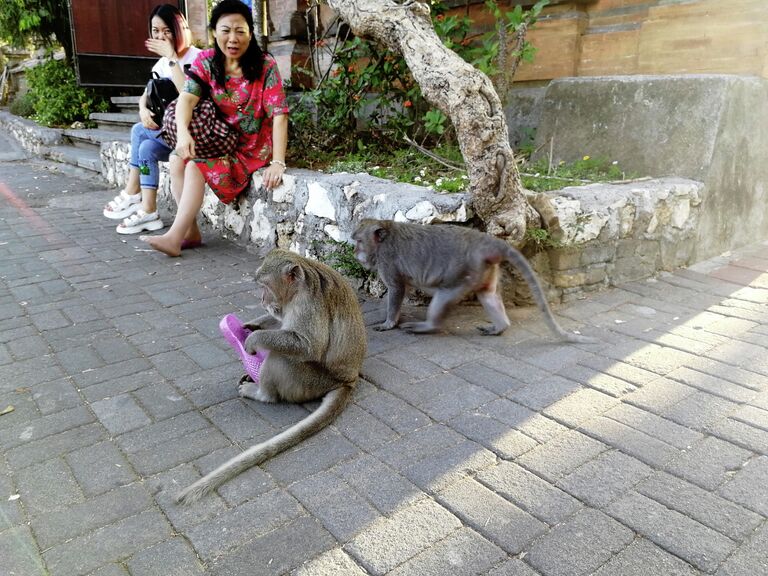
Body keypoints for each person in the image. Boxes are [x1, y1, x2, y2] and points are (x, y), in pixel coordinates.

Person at [142, 0, 288, 256]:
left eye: (240, 31)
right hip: (219, 138)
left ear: (250, 34)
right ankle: (191, 232)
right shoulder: (207, 61)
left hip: (251, 146)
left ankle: (174, 238)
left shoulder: (265, 65)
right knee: (178, 159)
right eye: (225, 30)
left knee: (197, 166)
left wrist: (278, 162)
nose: (233, 38)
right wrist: (183, 135)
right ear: (214, 32)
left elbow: (279, 115)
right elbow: (186, 99)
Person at [102, 4, 200, 235]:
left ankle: (132, 190)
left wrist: (173, 58)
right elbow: (146, 94)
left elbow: (187, 94)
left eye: (167, 30)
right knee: (145, 147)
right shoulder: (160, 64)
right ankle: (149, 211)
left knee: (138, 132)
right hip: (170, 135)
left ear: (180, 28)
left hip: (193, 133)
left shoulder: (198, 57)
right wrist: (142, 109)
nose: (161, 36)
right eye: (156, 31)